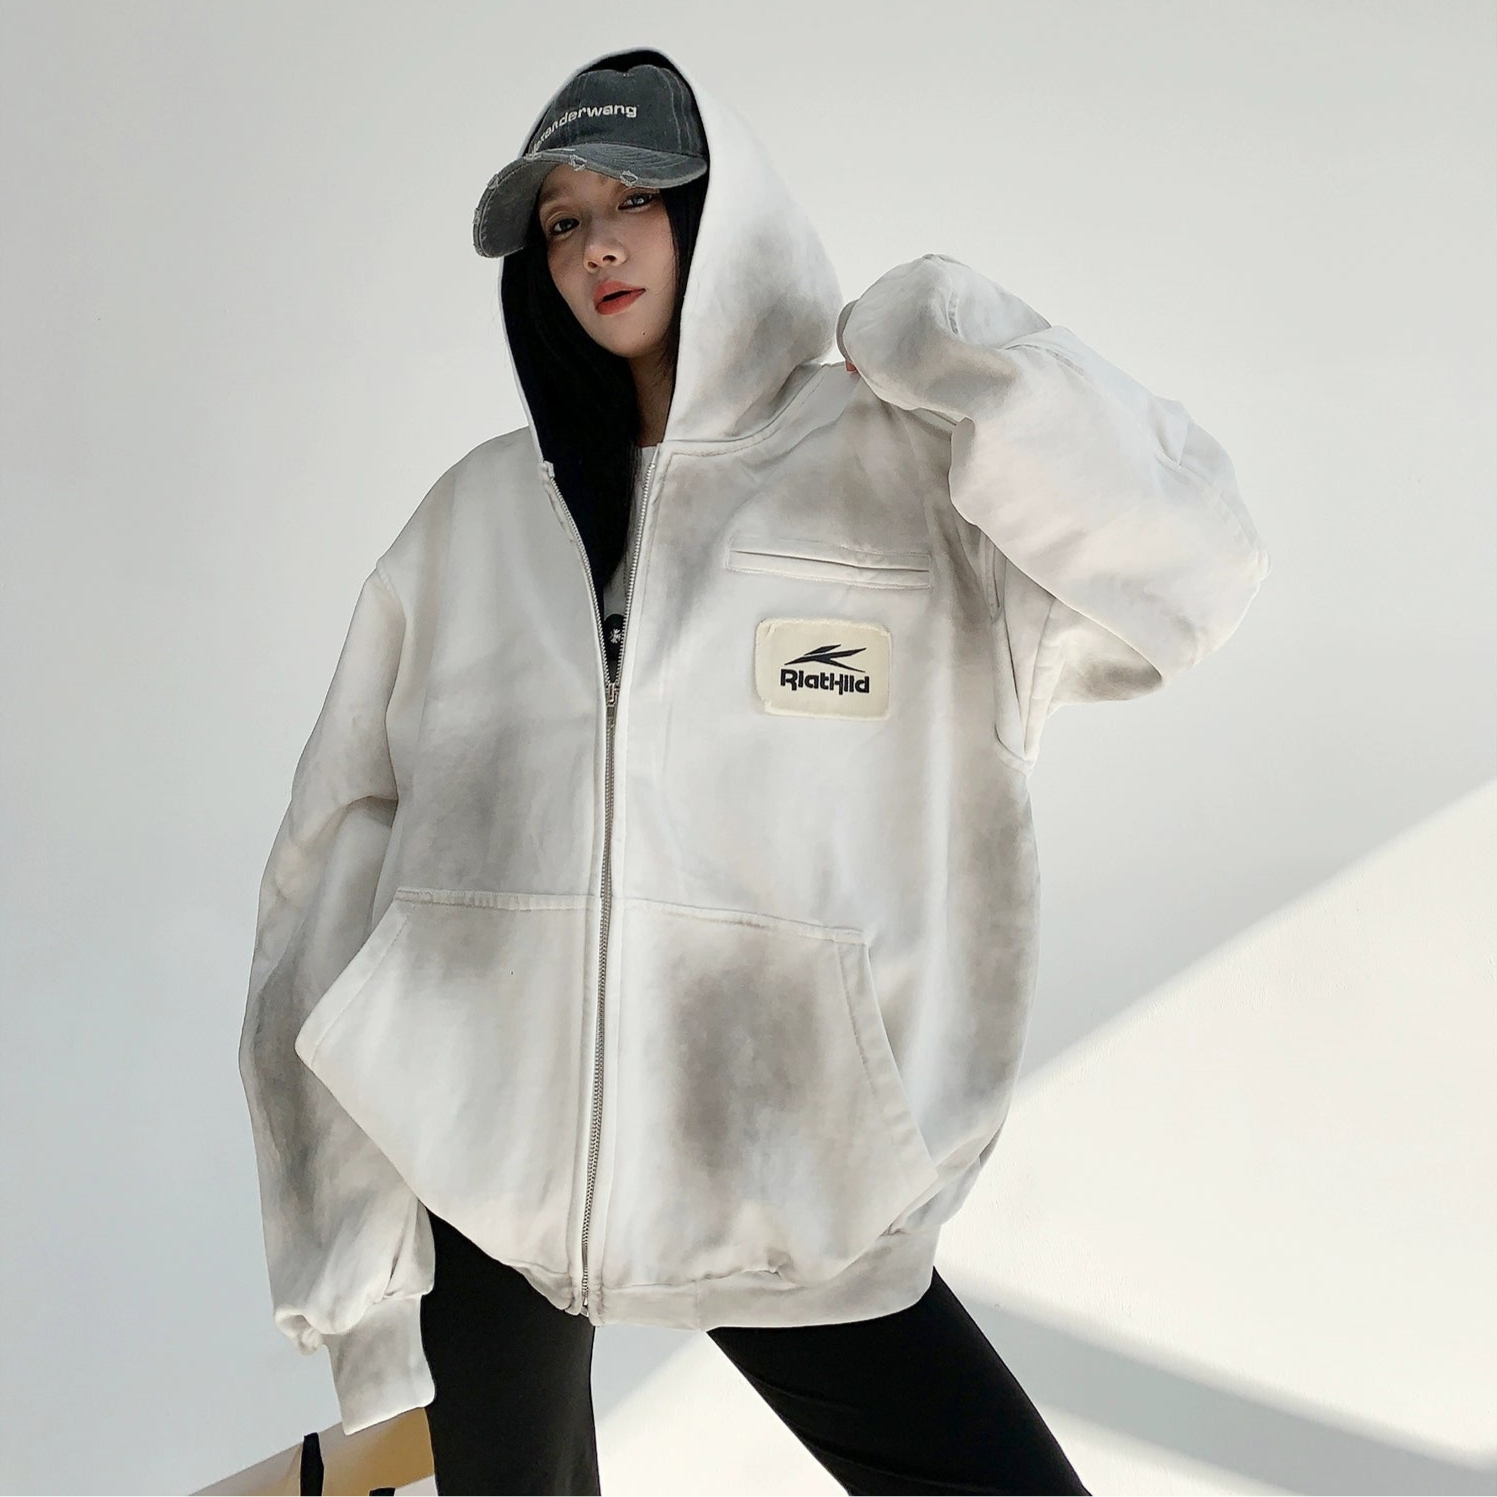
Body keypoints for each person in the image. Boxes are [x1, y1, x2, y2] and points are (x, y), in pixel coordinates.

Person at [237, 44, 1271, 1497]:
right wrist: (349, 1263)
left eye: (635, 199)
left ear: (723, 210)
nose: (596, 245)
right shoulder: (478, 517)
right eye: (561, 222)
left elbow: (1191, 572)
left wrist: (972, 350)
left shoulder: (905, 469)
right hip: (489, 1167)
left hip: (785, 1162)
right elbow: (333, 854)